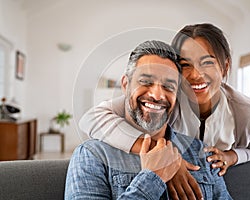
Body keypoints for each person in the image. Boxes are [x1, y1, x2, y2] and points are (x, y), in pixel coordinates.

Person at [79, 23, 250, 198]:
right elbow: (92, 118)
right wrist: (163, 157)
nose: (196, 75)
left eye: (207, 62)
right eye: (185, 65)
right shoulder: (164, 100)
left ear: (225, 65)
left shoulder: (248, 113)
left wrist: (231, 156)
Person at [65, 40, 232, 199]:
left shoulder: (201, 152)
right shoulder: (92, 155)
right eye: (145, 82)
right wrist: (152, 178)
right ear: (125, 85)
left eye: (169, 86)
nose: (157, 95)